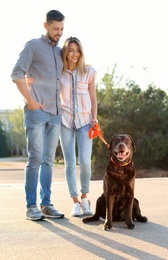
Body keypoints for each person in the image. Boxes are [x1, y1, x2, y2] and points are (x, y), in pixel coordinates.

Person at [11, 10, 65, 221]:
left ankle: (46, 204)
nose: (58, 33)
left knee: (49, 161)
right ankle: (31, 206)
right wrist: (30, 101)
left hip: (55, 114)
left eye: (61, 29)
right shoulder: (33, 45)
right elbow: (16, 73)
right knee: (35, 159)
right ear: (46, 25)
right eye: (55, 29)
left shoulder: (60, 52)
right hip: (36, 112)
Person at [60, 37, 97, 216]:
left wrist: (94, 119)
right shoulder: (59, 72)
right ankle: (74, 201)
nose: (74, 54)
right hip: (65, 122)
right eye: (71, 50)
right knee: (69, 163)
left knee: (84, 162)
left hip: (85, 123)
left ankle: (84, 198)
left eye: (77, 50)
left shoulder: (88, 72)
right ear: (65, 52)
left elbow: (93, 99)